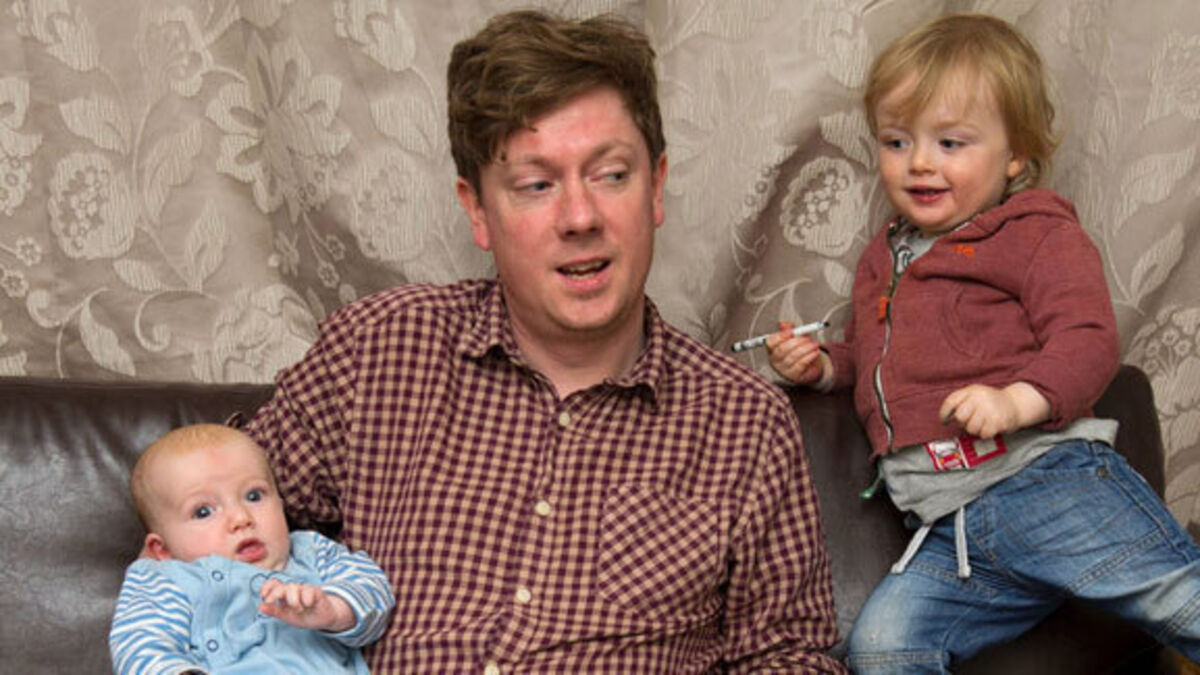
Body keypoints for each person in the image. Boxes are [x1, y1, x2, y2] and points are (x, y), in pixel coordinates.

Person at [245, 8, 844, 673]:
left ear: (656, 187)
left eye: (611, 175)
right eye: (536, 185)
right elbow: (203, 528)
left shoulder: (745, 423)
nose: (580, 217)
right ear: (477, 210)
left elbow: (789, 657)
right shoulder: (375, 352)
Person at [766, 12, 1200, 672]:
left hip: (1045, 483)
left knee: (1183, 601)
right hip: (951, 531)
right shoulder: (884, 256)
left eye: (950, 142)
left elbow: (1088, 339)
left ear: (1016, 155)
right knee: (882, 649)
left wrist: (1015, 401)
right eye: (896, 141)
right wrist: (822, 366)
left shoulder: (1036, 234)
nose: (919, 162)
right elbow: (877, 359)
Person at [108, 424, 395, 674]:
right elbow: (140, 642)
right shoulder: (166, 578)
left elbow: (373, 590)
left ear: (280, 503)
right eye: (204, 511)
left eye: (254, 495)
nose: (241, 518)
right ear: (162, 549)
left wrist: (334, 609)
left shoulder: (312, 551)